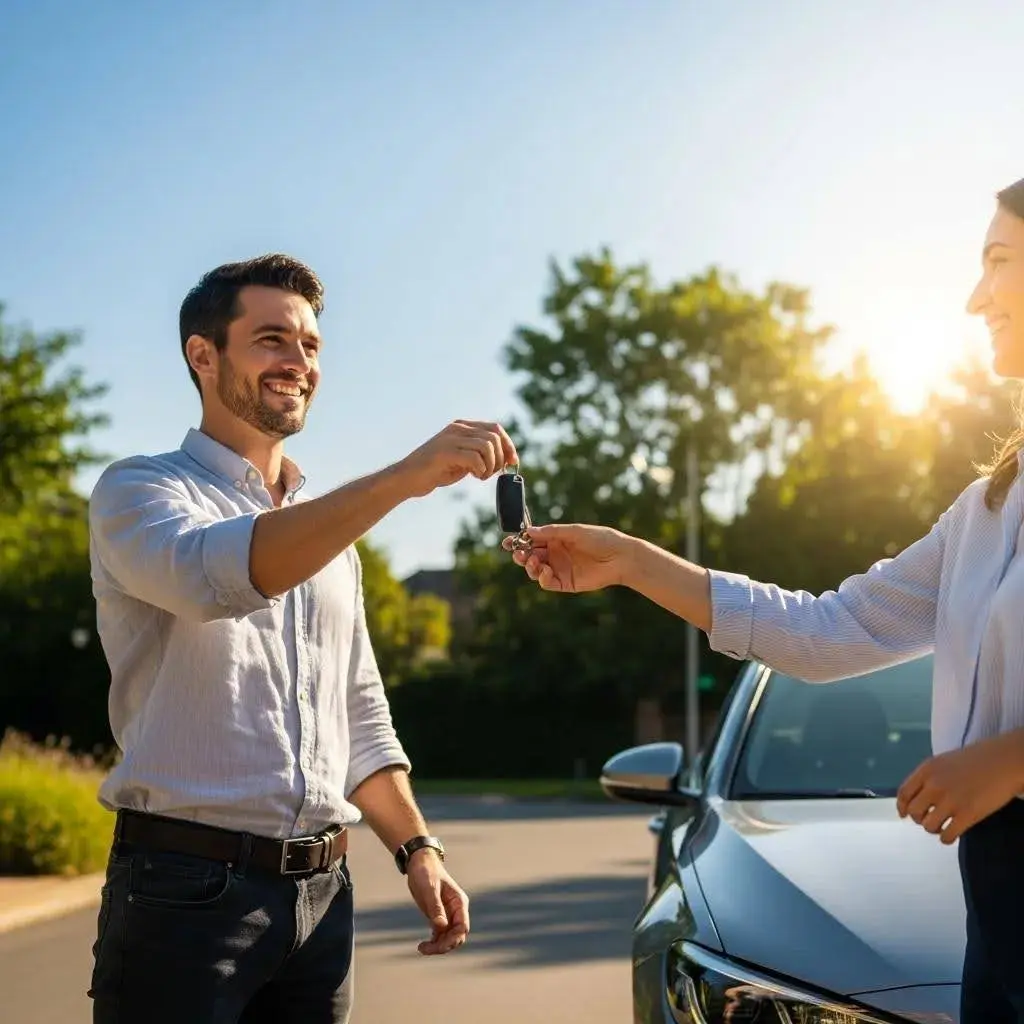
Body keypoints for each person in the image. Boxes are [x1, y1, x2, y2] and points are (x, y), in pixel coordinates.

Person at [506, 177, 1024, 1022]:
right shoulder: (986, 510)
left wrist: (1009, 760)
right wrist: (635, 561)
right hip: (998, 908)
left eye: (997, 262)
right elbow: (829, 632)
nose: (975, 297)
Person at [86, 253, 518, 1023]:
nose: (299, 362)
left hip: (323, 902)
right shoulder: (140, 490)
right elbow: (210, 579)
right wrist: (405, 477)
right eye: (272, 340)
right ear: (203, 355)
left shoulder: (331, 541)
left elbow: (358, 714)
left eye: (311, 346)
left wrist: (419, 850)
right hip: (184, 895)